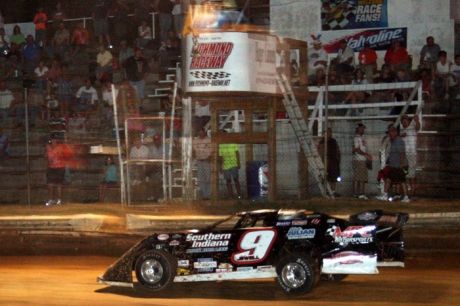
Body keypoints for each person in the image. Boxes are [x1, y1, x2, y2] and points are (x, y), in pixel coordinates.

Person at [376, 125, 410, 202]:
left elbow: (402, 154)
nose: (390, 134)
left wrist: (400, 165)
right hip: (394, 166)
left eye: (391, 132)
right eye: (389, 132)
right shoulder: (393, 141)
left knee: (402, 181)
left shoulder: (399, 141)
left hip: (400, 165)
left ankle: (406, 196)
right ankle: (384, 195)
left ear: (395, 132)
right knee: (389, 179)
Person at [45, 134, 69, 206]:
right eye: (52, 140)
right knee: (50, 184)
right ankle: (51, 199)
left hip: (59, 167)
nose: (53, 141)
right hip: (51, 168)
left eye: (55, 139)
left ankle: (59, 199)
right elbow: (47, 157)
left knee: (58, 184)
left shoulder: (60, 147)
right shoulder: (49, 149)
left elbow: (62, 154)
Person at [400, 114, 420, 200]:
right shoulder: (401, 132)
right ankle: (405, 193)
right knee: (404, 175)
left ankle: (412, 193)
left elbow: (418, 127)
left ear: (408, 121)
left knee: (412, 175)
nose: (404, 122)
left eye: (406, 120)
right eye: (403, 121)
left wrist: (417, 120)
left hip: (412, 155)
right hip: (404, 156)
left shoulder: (412, 129)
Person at [317, 128, 341, 196]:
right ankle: (326, 191)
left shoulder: (333, 141)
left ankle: (333, 191)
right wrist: (320, 162)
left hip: (334, 162)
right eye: (327, 132)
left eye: (330, 132)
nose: (329, 134)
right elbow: (319, 152)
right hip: (326, 162)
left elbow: (338, 151)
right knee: (326, 177)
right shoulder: (322, 142)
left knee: (334, 178)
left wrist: (338, 160)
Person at [353, 123, 372, 200]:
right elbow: (357, 149)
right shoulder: (356, 138)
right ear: (358, 128)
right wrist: (366, 155)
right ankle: (356, 193)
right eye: (362, 128)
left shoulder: (361, 138)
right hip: (358, 160)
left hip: (362, 160)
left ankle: (361, 193)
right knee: (358, 177)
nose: (363, 130)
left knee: (362, 177)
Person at [193, 128, 211, 200]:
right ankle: (204, 195)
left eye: (202, 133)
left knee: (208, 178)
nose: (200, 134)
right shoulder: (195, 141)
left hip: (207, 161)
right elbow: (194, 151)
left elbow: (212, 150)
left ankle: (209, 195)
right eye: (199, 133)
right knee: (201, 178)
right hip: (199, 161)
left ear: (204, 132)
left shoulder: (209, 140)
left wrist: (209, 157)